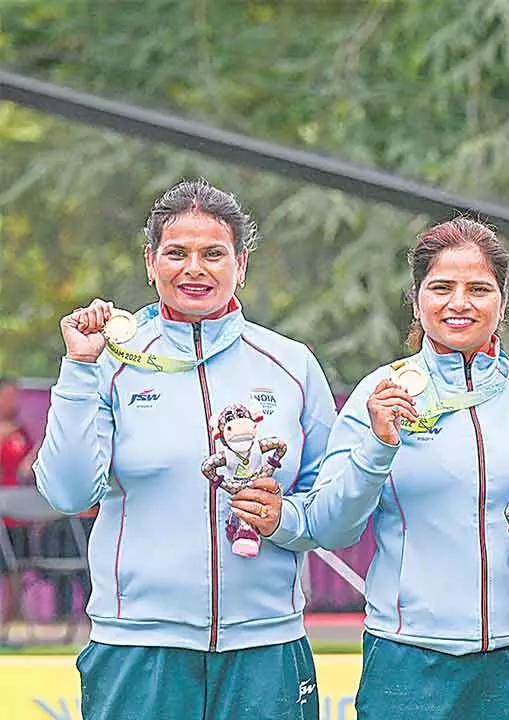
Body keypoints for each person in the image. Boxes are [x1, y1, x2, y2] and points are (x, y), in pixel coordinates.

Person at [33, 179, 336, 719]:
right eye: (177, 253)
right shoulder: (109, 362)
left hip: (265, 649)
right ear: (151, 262)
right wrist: (80, 367)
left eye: (213, 253)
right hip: (137, 649)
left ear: (240, 265)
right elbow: (67, 491)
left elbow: (334, 510)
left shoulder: (291, 365)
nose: (194, 268)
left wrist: (282, 517)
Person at [288, 217, 509, 719]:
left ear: (503, 301)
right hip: (410, 661)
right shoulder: (378, 394)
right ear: (417, 298)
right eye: (441, 287)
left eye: (479, 289)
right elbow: (332, 527)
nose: (459, 303)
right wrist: (378, 446)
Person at [0, 378, 34, 628]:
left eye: (15, 395)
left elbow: (28, 470)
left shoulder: (20, 432)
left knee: (16, 568)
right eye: (7, 395)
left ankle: (12, 618)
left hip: (19, 514)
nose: (12, 401)